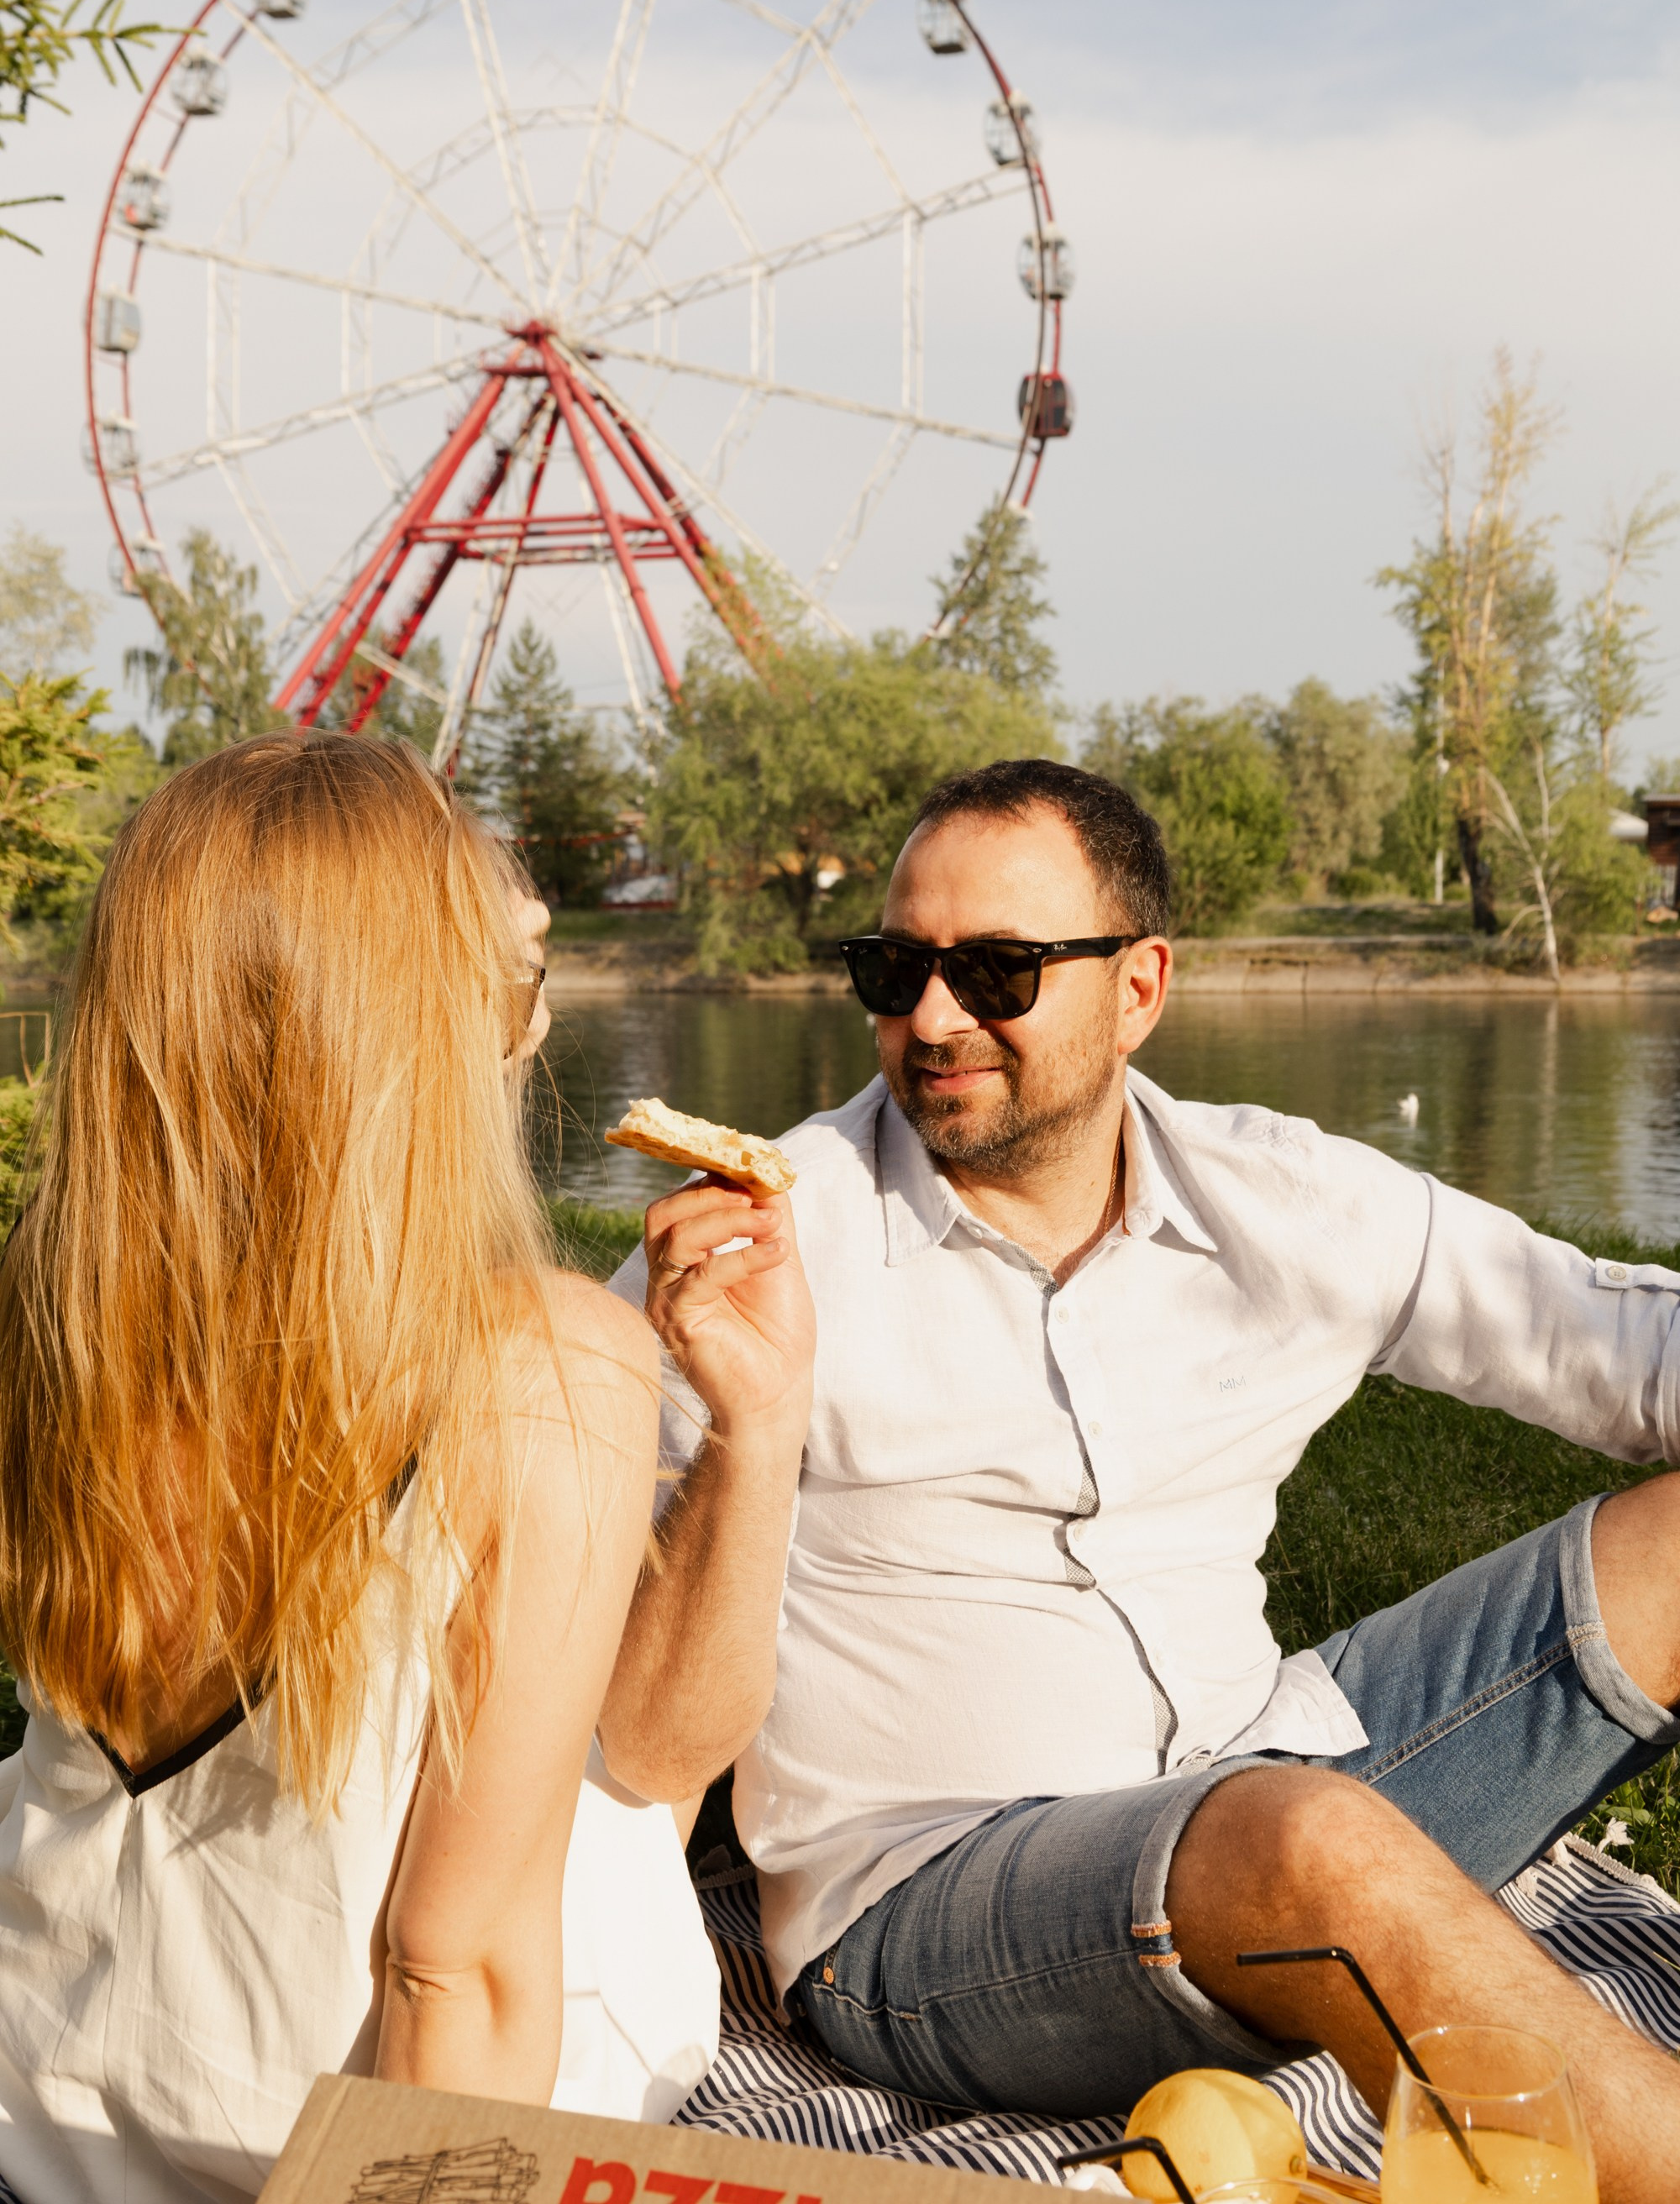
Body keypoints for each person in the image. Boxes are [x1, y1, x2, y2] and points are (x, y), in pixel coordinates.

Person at [601, 755, 1680, 2203]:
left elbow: (1619, 1344)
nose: (932, 1018)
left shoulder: (1285, 1200)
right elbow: (611, 1693)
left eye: (995, 971)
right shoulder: (757, 1262)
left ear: (1142, 985)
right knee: (1302, 1841)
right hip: (931, 1911)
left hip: (1272, 1765)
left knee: (1312, 1811)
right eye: (894, 966)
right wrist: (744, 1428)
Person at [0, 733, 718, 2204]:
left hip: (60, 2086)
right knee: (636, 1811)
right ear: (422, 1019)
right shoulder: (551, 1367)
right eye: (510, 979)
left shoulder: (48, 1306)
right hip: (323, 2140)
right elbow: (453, 1969)